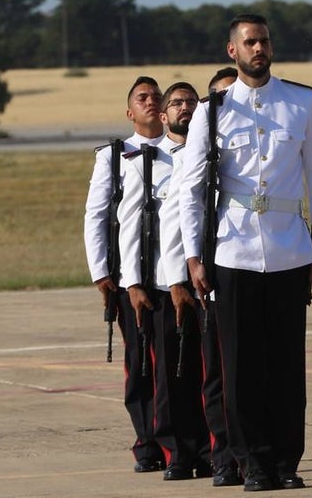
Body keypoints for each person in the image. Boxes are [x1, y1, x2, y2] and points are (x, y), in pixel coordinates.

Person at [179, 14, 312, 491]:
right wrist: (193, 256)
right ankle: (254, 463)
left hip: (290, 251)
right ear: (233, 51)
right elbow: (190, 190)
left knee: (287, 366)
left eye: (264, 41)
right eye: (249, 42)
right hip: (234, 252)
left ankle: (287, 462)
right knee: (241, 369)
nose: (258, 49)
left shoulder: (301, 101)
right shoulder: (213, 110)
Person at [117, 81, 211, 481]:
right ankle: (170, 448)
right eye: (175, 102)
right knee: (162, 372)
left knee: (203, 370)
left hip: (210, 275)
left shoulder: (207, 152)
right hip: (163, 279)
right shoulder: (139, 158)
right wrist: (130, 280)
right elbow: (133, 225)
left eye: (191, 102)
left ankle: (208, 447)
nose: (181, 108)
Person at [81, 75, 166, 473]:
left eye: (156, 96)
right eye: (142, 98)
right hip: (128, 274)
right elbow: (97, 216)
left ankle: (173, 437)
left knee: (171, 362)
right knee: (140, 360)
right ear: (130, 112)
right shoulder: (114, 156)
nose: (151, 101)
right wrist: (101, 273)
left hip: (170, 272)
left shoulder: (181, 148)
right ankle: (146, 440)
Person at [195, 66, 243, 487]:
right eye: (221, 96)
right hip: (208, 274)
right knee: (217, 373)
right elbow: (182, 214)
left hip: (240, 263)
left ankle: (250, 450)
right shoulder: (199, 144)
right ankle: (223, 454)